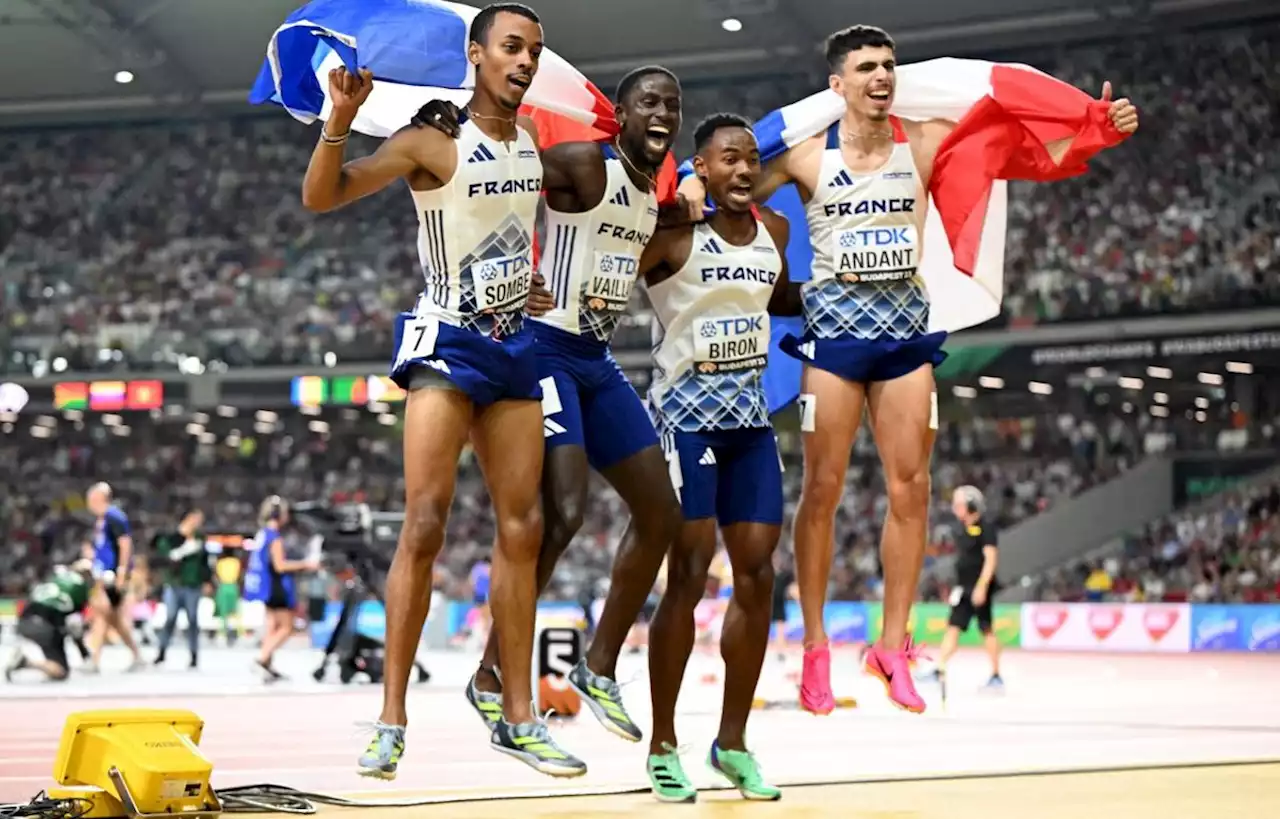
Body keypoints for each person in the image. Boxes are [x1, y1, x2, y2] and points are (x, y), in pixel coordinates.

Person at [678, 25, 1139, 715]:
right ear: (837, 85)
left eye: (888, 65)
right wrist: (690, 184)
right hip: (833, 342)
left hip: (902, 340)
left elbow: (1014, 153)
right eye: (865, 67)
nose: (881, 76)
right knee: (823, 489)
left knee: (913, 488)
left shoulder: (924, 140)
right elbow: (734, 184)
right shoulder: (806, 156)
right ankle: (814, 650)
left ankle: (892, 649)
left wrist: (1098, 128)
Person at [297, 2, 581, 779]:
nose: (526, 61)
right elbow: (324, 196)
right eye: (513, 47)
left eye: (535, 50)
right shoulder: (433, 137)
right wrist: (339, 117)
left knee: (523, 528)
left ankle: (518, 716)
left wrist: (528, 283)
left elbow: (524, 231)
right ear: (477, 54)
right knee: (424, 522)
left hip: (513, 346)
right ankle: (391, 717)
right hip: (447, 342)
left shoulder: (528, 143)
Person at [418, 64, 684, 745]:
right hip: (543, 350)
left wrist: (689, 211)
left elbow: (631, 253)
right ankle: (489, 674)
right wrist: (453, 122)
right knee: (562, 511)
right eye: (647, 102)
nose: (661, 112)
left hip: (595, 361)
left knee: (661, 514)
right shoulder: (578, 165)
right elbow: (498, 175)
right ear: (619, 114)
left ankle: (597, 667)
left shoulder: (653, 190)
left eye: (672, 105)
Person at [638, 113, 799, 803]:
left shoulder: (777, 232)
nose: (742, 168)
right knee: (691, 570)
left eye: (750, 159)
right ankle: (663, 743)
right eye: (728, 158)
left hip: (749, 425)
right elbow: (612, 258)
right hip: (684, 421)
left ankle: (731, 741)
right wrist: (671, 204)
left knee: (759, 571)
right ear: (701, 166)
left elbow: (781, 296)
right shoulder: (671, 235)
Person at [931, 485, 1003, 689]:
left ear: (971, 505)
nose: (955, 508)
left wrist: (982, 587)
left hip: (980, 587)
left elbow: (991, 560)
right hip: (963, 588)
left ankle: (996, 675)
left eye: (959, 504)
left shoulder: (987, 528)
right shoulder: (961, 529)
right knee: (953, 627)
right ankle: (940, 669)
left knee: (986, 628)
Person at [243, 497, 318, 681]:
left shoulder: (262, 534)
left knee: (272, 626)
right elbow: (280, 566)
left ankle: (267, 663)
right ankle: (261, 659)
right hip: (277, 587)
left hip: (266, 586)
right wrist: (306, 564)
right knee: (286, 627)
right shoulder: (274, 537)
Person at [83, 482, 144, 673]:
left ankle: (94, 659)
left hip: (113, 575)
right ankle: (136, 655)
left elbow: (125, 545)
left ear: (99, 498)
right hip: (103, 573)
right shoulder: (101, 520)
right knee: (113, 618)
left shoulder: (114, 516)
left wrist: (122, 573)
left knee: (102, 612)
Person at [5, 560, 94, 683]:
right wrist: (84, 654)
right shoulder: (80, 588)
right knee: (61, 671)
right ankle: (26, 662)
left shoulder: (57, 577)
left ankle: (43, 664)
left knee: (57, 637)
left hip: (25, 620)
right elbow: (75, 625)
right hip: (45, 626)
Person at [154, 509, 210, 669]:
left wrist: (206, 580)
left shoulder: (200, 538)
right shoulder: (172, 536)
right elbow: (164, 554)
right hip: (174, 583)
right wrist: (183, 548)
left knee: (193, 620)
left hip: (193, 584)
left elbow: (204, 562)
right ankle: (162, 652)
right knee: (170, 618)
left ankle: (193, 655)